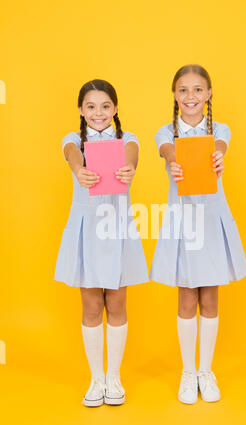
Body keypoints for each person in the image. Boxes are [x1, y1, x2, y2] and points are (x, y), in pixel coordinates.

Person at [150, 64, 246, 404]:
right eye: (183, 90)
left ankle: (206, 371)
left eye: (197, 90)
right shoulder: (165, 133)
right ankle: (187, 371)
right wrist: (174, 161)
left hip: (212, 220)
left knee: (210, 297)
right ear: (174, 95)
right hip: (184, 223)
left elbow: (220, 144)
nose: (190, 96)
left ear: (208, 94)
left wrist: (218, 156)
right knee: (187, 296)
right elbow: (168, 150)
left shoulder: (220, 130)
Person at [54, 79, 149, 407]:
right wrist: (79, 169)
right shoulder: (72, 140)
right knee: (92, 305)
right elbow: (70, 156)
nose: (98, 113)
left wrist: (130, 169)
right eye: (91, 107)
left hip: (117, 227)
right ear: (81, 110)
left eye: (105, 106)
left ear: (116, 109)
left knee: (118, 305)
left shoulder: (127, 139)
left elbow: (133, 155)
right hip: (87, 229)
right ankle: (95, 379)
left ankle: (114, 377)